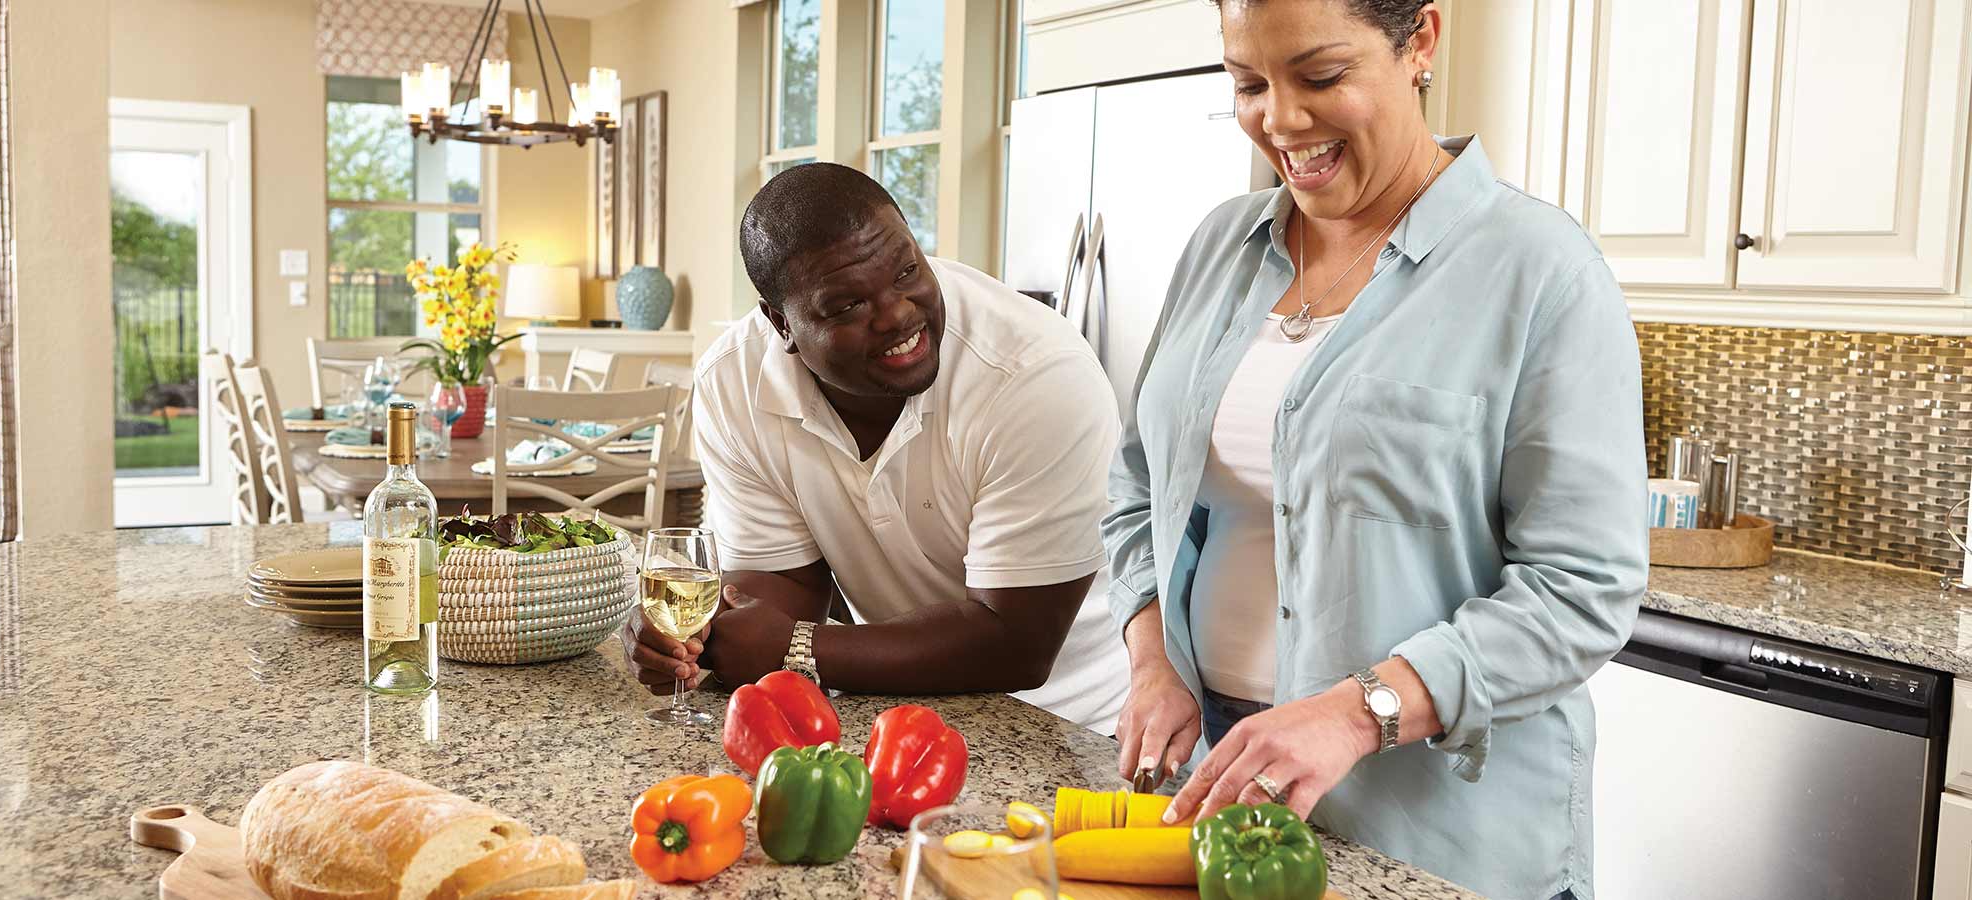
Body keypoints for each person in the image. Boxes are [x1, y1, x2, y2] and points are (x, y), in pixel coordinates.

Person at [1103, 1, 1646, 898]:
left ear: (1420, 41)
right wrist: (1153, 657)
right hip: (1225, 801)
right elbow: (1136, 488)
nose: (1278, 119)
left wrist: (1359, 713)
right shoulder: (1218, 249)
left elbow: (1583, 590)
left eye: (1319, 77)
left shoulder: (1543, 272)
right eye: (1247, 83)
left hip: (1435, 827)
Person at [620, 163, 1130, 734]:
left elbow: (1017, 644)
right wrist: (704, 641)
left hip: (1074, 727)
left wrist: (798, 649)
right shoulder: (734, 380)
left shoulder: (1034, 376)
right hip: (891, 713)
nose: (897, 314)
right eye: (846, 307)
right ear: (779, 323)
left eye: (907, 270)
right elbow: (777, 592)